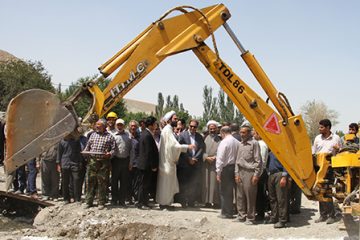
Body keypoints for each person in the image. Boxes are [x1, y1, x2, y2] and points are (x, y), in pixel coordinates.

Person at [156, 111, 195, 210]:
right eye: (175, 119)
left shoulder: (168, 129)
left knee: (167, 183)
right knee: (166, 184)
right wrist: (187, 146)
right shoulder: (167, 130)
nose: (177, 120)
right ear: (169, 120)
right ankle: (165, 203)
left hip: (168, 161)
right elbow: (174, 146)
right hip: (167, 162)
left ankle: (166, 203)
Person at [312, 119, 341, 224]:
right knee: (319, 190)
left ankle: (331, 215)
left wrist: (338, 149)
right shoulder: (317, 138)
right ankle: (322, 215)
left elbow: (340, 153)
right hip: (318, 167)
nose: (319, 129)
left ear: (328, 128)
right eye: (319, 127)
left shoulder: (336, 138)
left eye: (321, 127)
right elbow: (314, 153)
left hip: (329, 168)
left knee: (327, 191)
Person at [83, 119, 116, 209]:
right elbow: (88, 147)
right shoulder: (92, 135)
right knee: (90, 181)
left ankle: (101, 202)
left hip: (103, 162)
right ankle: (88, 201)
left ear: (104, 126)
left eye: (99, 125)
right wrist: (85, 152)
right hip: (93, 161)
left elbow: (114, 150)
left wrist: (109, 154)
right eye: (97, 125)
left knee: (102, 182)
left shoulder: (110, 137)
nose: (97, 126)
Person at [235, 125, 262, 225]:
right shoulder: (240, 144)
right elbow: (237, 160)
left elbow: (258, 161)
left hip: (249, 172)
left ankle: (250, 218)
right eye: (240, 132)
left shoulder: (254, 144)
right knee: (240, 195)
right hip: (240, 171)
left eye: (244, 132)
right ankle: (241, 215)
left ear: (249, 133)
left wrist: (256, 175)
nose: (241, 134)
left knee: (250, 196)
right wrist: (236, 173)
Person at [177, 119, 205, 207]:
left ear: (197, 127)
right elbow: (180, 149)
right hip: (185, 164)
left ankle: (191, 201)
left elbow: (201, 148)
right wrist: (189, 158)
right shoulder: (182, 135)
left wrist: (195, 158)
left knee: (193, 183)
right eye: (191, 126)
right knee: (184, 183)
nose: (192, 128)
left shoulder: (199, 137)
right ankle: (183, 201)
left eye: (194, 127)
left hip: (195, 164)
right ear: (188, 126)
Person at [137, 116, 159, 210]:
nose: (156, 125)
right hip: (146, 165)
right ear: (151, 125)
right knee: (143, 185)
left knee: (146, 184)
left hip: (146, 165)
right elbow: (148, 152)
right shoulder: (146, 135)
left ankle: (145, 202)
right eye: (155, 123)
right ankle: (141, 203)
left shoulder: (147, 133)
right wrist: (153, 165)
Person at [216, 126, 238, 218]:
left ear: (222, 133)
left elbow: (220, 158)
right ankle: (233, 210)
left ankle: (226, 212)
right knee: (234, 191)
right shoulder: (237, 142)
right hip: (235, 167)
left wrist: (218, 171)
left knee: (225, 191)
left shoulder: (224, 142)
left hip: (226, 168)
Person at [112, 118, 132, 207]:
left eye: (121, 125)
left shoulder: (128, 135)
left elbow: (131, 150)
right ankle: (114, 200)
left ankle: (122, 200)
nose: (119, 126)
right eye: (118, 125)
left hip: (125, 161)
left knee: (124, 182)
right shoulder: (113, 135)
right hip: (115, 161)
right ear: (116, 126)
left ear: (124, 125)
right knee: (114, 181)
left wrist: (130, 162)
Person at [266, 151, 289, 228]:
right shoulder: (270, 152)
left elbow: (286, 163)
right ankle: (274, 217)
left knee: (281, 199)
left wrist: (284, 176)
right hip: (271, 175)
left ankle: (282, 220)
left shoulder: (281, 150)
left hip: (279, 174)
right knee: (272, 198)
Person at [57, 134, 83, 203]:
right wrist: (58, 164)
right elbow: (59, 153)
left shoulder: (76, 141)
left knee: (76, 179)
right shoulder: (61, 142)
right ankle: (66, 198)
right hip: (65, 163)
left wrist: (80, 162)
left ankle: (77, 198)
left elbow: (79, 152)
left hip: (74, 163)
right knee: (65, 182)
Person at [202, 120, 221, 208]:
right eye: (210, 129)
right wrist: (206, 157)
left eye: (214, 129)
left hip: (215, 164)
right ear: (208, 129)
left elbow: (221, 151)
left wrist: (215, 157)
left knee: (214, 184)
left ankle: (215, 202)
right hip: (206, 163)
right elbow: (201, 150)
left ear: (216, 129)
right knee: (206, 183)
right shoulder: (205, 138)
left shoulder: (219, 139)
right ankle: (207, 202)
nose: (212, 130)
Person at [253, 130, 269, 221]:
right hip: (259, 172)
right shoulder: (258, 143)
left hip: (260, 173)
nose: (253, 135)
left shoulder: (261, 145)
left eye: (254, 133)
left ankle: (260, 213)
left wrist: (258, 173)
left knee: (259, 193)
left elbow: (262, 161)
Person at [128, 120, 140, 205]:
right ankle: (128, 198)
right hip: (127, 163)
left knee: (136, 182)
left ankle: (135, 198)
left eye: (135, 126)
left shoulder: (139, 137)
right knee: (127, 182)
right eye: (132, 126)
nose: (133, 127)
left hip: (136, 163)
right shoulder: (126, 136)